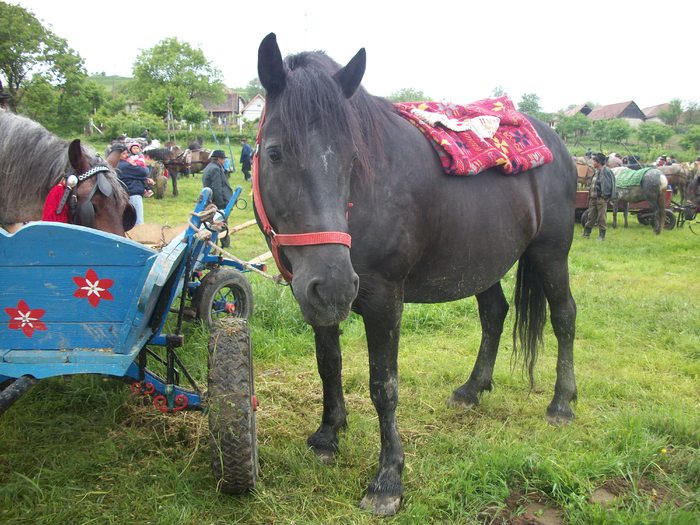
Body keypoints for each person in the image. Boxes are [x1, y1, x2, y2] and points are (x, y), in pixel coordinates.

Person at [115, 144, 154, 225]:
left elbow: (131, 176)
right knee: (138, 223)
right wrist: (138, 164)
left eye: (127, 153)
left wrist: (145, 179)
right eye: (124, 153)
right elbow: (144, 172)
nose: (127, 155)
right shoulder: (125, 165)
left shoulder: (115, 165)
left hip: (123, 195)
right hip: (133, 195)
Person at [202, 150, 233, 247]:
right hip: (216, 201)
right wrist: (220, 204)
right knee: (222, 222)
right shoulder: (216, 169)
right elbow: (217, 188)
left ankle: (222, 242)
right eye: (223, 159)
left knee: (214, 222)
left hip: (211, 199)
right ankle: (225, 243)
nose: (224, 161)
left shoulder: (210, 166)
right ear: (219, 159)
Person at [583, 153, 616, 241]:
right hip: (593, 199)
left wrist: (605, 197)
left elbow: (607, 185)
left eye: (594, 161)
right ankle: (586, 233)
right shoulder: (596, 171)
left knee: (602, 218)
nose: (593, 162)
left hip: (601, 199)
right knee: (591, 217)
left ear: (598, 162)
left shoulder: (605, 171)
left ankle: (602, 236)